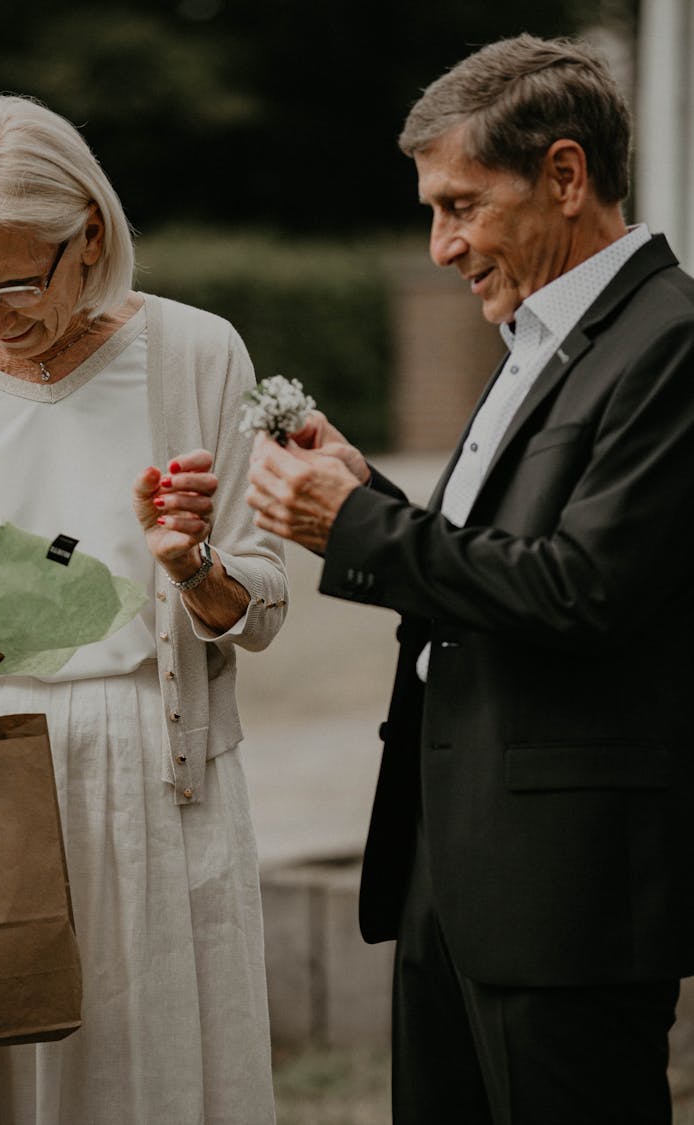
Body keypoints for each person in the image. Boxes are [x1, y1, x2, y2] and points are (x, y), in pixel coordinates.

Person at [246, 32, 694, 1125]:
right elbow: (498, 570)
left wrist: (359, 530)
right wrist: (375, 503)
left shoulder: (671, 340)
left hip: (568, 896)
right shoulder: (543, 338)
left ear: (566, 176)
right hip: (452, 868)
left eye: (461, 205)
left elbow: (584, 590)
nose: (442, 246)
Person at [0, 94, 287, 1125]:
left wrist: (192, 568)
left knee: (144, 1085)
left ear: (88, 236)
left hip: (151, 779)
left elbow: (261, 606)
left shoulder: (194, 355)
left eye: (14, 282)